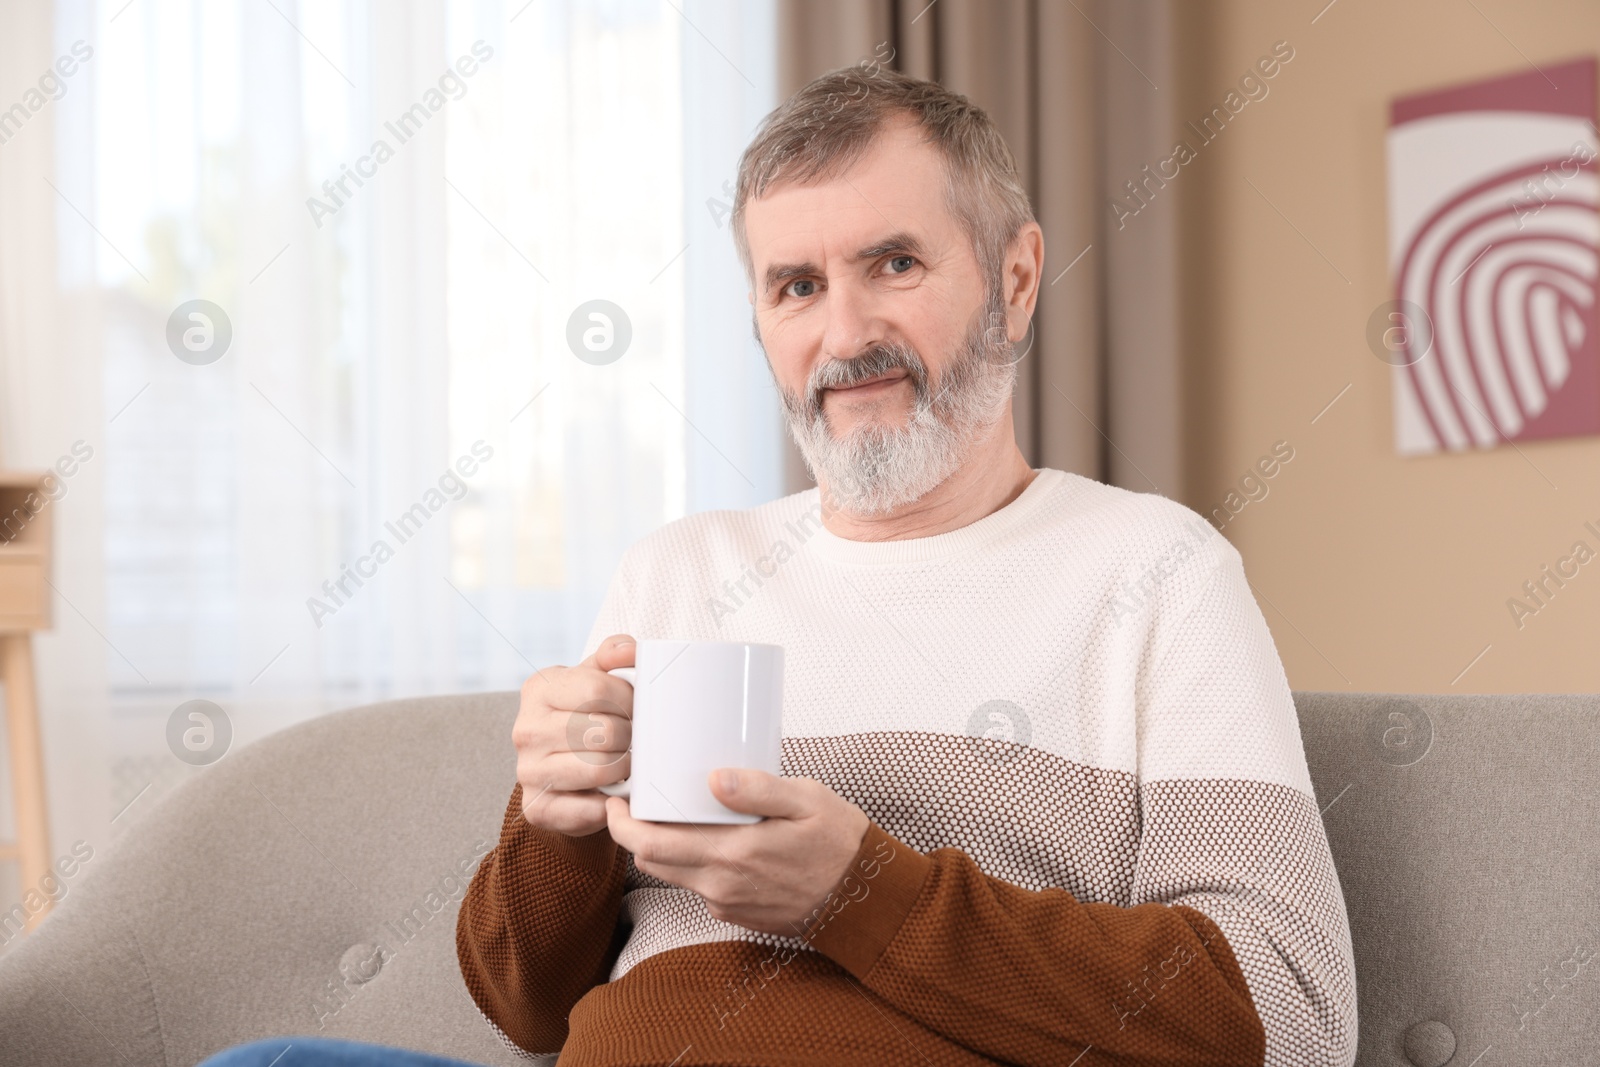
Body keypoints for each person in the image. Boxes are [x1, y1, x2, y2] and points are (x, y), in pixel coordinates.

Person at [205, 63, 1356, 1067]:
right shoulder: (677, 570)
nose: (841, 332)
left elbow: (1289, 1013)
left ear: (1014, 278)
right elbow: (526, 1008)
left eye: (893, 263)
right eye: (795, 286)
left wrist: (861, 894)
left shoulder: (1155, 570)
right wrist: (551, 825)